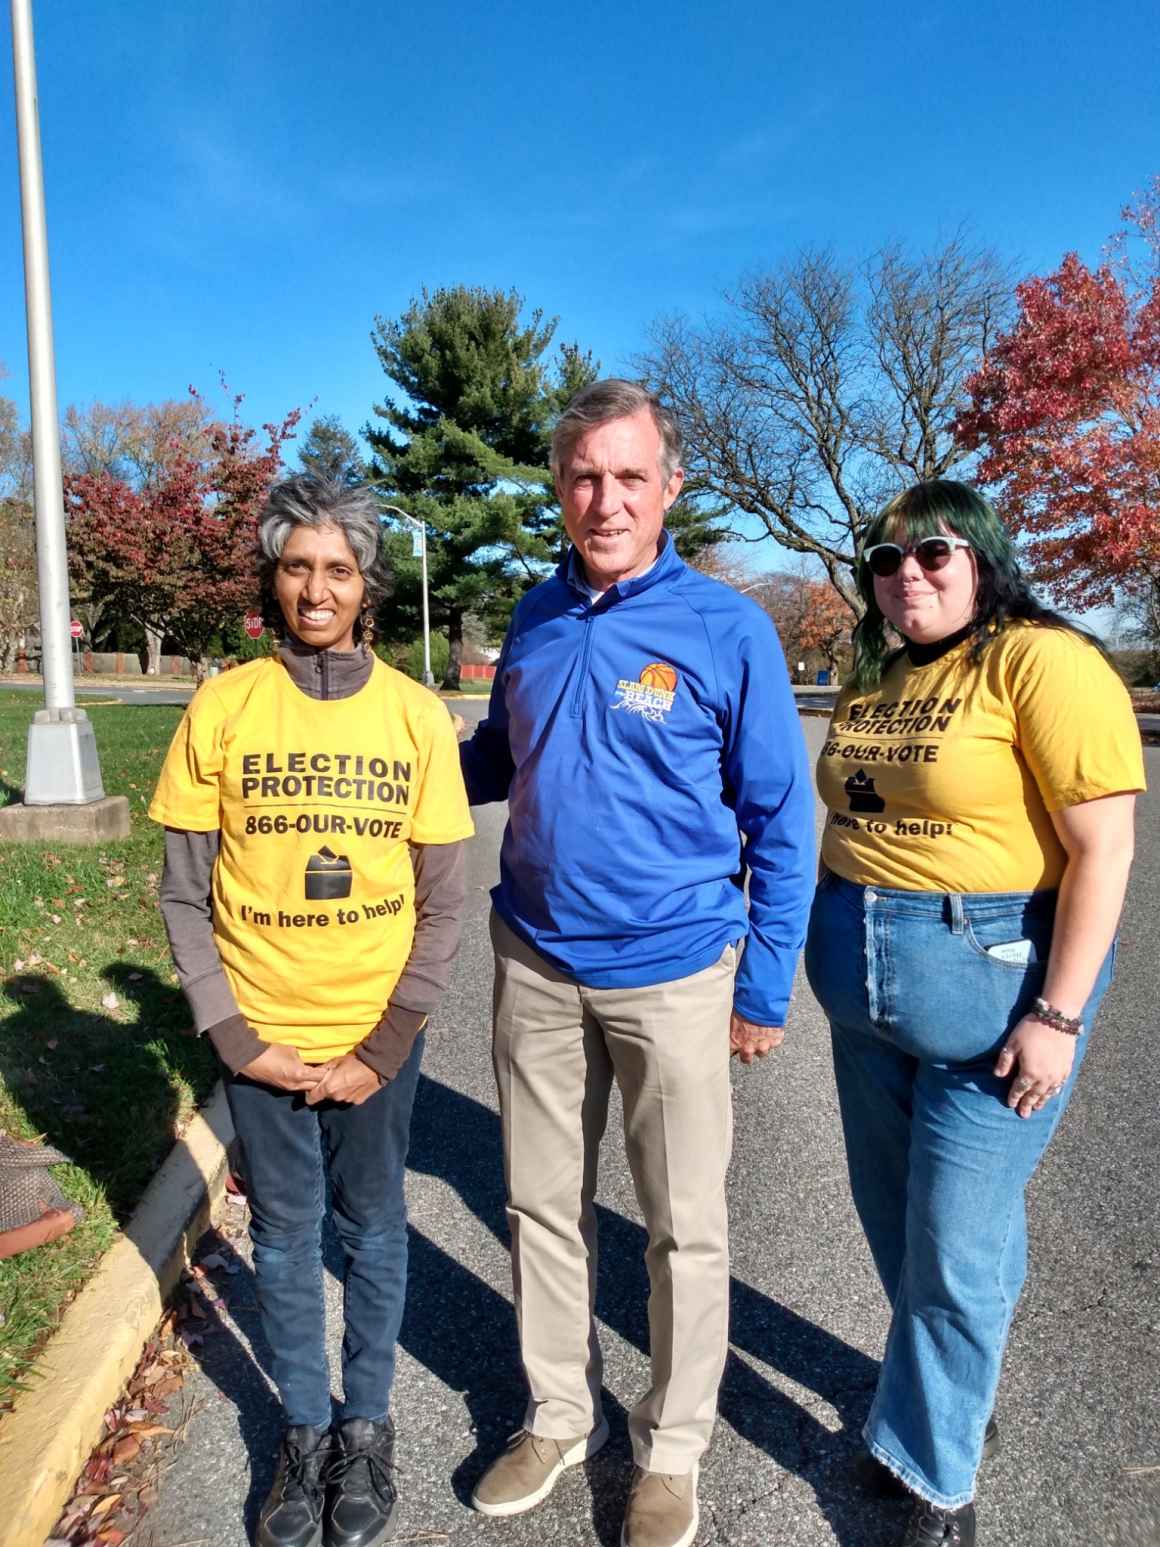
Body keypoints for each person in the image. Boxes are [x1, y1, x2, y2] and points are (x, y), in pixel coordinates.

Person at [460, 379, 814, 1547]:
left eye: (627, 476)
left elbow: (779, 819)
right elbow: (491, 757)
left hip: (672, 971)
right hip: (536, 957)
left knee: (682, 1221)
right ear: (558, 489)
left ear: (667, 487)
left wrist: (761, 985)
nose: (604, 499)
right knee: (539, 1202)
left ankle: (671, 1444)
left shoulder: (727, 627)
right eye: (581, 477)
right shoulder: (534, 612)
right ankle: (562, 1410)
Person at [805, 480, 1145, 1547]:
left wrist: (1057, 1013)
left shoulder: (1041, 661)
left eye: (934, 554)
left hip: (992, 1000)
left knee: (953, 1242)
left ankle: (935, 1479)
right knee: (899, 1224)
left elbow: (1102, 849)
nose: (907, 575)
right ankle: (941, 1395)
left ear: (983, 558)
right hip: (860, 1001)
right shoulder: (876, 676)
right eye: (885, 559)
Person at [149, 476, 473, 1547]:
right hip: (262, 1038)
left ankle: (367, 1427)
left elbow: (443, 901)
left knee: (373, 1229)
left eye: (338, 568)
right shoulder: (224, 704)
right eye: (297, 566)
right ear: (272, 580)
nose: (317, 587)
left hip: (376, 1039)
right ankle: (300, 1427)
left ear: (366, 583)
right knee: (287, 1239)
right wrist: (235, 1036)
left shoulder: (415, 714)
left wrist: (385, 1046)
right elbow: (184, 893)